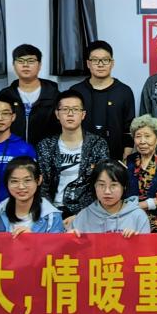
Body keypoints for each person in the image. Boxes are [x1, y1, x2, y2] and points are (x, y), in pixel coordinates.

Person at [36, 89, 110, 221]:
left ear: (83, 114)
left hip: (88, 213)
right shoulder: (45, 145)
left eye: (75, 109)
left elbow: (102, 184)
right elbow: (42, 186)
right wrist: (53, 215)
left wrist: (82, 215)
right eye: (65, 109)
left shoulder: (98, 144)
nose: (70, 114)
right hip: (52, 211)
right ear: (57, 114)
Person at [71, 40, 136, 160]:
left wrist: (127, 155)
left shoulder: (124, 91)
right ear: (88, 63)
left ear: (112, 63)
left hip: (115, 158)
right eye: (95, 60)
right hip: (80, 157)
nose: (100, 64)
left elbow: (129, 128)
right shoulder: (76, 91)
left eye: (105, 60)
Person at [0, 157, 64, 236]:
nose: (21, 187)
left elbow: (57, 245)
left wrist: (33, 239)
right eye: (14, 181)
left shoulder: (53, 217)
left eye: (27, 180)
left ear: (39, 180)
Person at [0, 44, 60, 146]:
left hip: (46, 151)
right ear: (14, 65)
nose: (25, 65)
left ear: (39, 65)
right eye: (20, 61)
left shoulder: (53, 94)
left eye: (31, 61)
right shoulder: (5, 95)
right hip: (13, 150)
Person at [70, 160, 151, 236]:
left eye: (113, 185)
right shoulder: (83, 216)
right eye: (101, 185)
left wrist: (137, 241)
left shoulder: (138, 216)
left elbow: (146, 246)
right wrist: (69, 239)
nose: (107, 191)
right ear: (94, 186)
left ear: (124, 187)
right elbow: (71, 245)